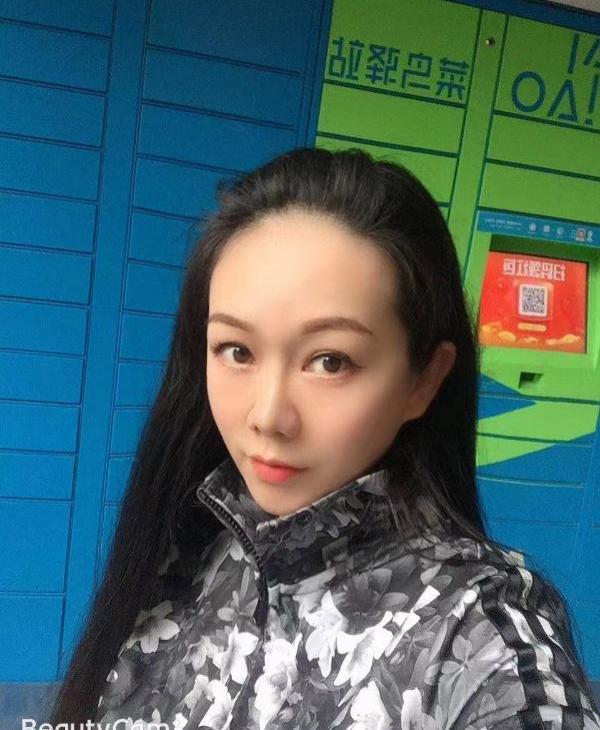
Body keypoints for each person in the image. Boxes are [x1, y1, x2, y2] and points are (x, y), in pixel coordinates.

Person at [50, 148, 600, 730]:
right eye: (236, 351)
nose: (268, 416)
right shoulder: (189, 542)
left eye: (330, 361)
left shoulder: (477, 634)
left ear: (424, 381)